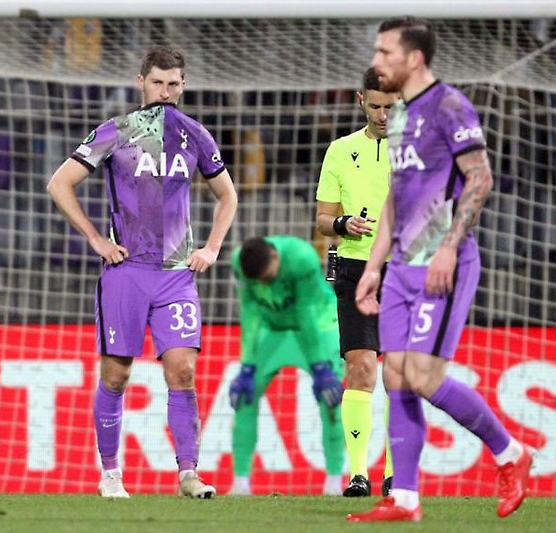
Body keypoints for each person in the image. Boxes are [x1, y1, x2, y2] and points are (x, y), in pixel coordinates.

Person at [347, 17, 534, 522]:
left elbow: (480, 178)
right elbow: (394, 197)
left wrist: (450, 247)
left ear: (415, 59)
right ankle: (405, 499)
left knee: (424, 376)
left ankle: (510, 453)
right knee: (396, 377)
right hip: (402, 267)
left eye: (386, 52)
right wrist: (373, 267)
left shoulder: (450, 105)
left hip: (440, 264)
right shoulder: (401, 115)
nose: (377, 60)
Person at [47, 45, 238, 499]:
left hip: (176, 274)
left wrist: (212, 247)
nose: (165, 92)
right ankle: (111, 475)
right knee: (115, 374)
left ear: (183, 87)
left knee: (183, 370)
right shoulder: (116, 132)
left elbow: (227, 196)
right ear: (141, 82)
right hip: (126, 272)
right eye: (158, 82)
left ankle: (188, 474)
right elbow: (60, 183)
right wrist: (96, 239)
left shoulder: (196, 136)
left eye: (174, 84)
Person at [315, 67, 400, 498]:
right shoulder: (339, 150)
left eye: (391, 105)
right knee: (362, 367)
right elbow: (323, 219)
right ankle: (358, 474)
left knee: (400, 374)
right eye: (376, 105)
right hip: (355, 269)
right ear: (359, 101)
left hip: (404, 271)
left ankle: (394, 472)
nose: (384, 114)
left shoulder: (418, 151)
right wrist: (345, 224)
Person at [228, 236, 345, 496]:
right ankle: (240, 483)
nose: (265, 285)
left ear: (275, 257)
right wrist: (246, 366)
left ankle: (335, 482)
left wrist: (319, 367)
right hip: (273, 329)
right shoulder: (239, 260)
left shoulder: (302, 257)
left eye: (268, 278)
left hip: (319, 325)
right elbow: (249, 311)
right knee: (244, 396)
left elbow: (306, 312)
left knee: (331, 398)